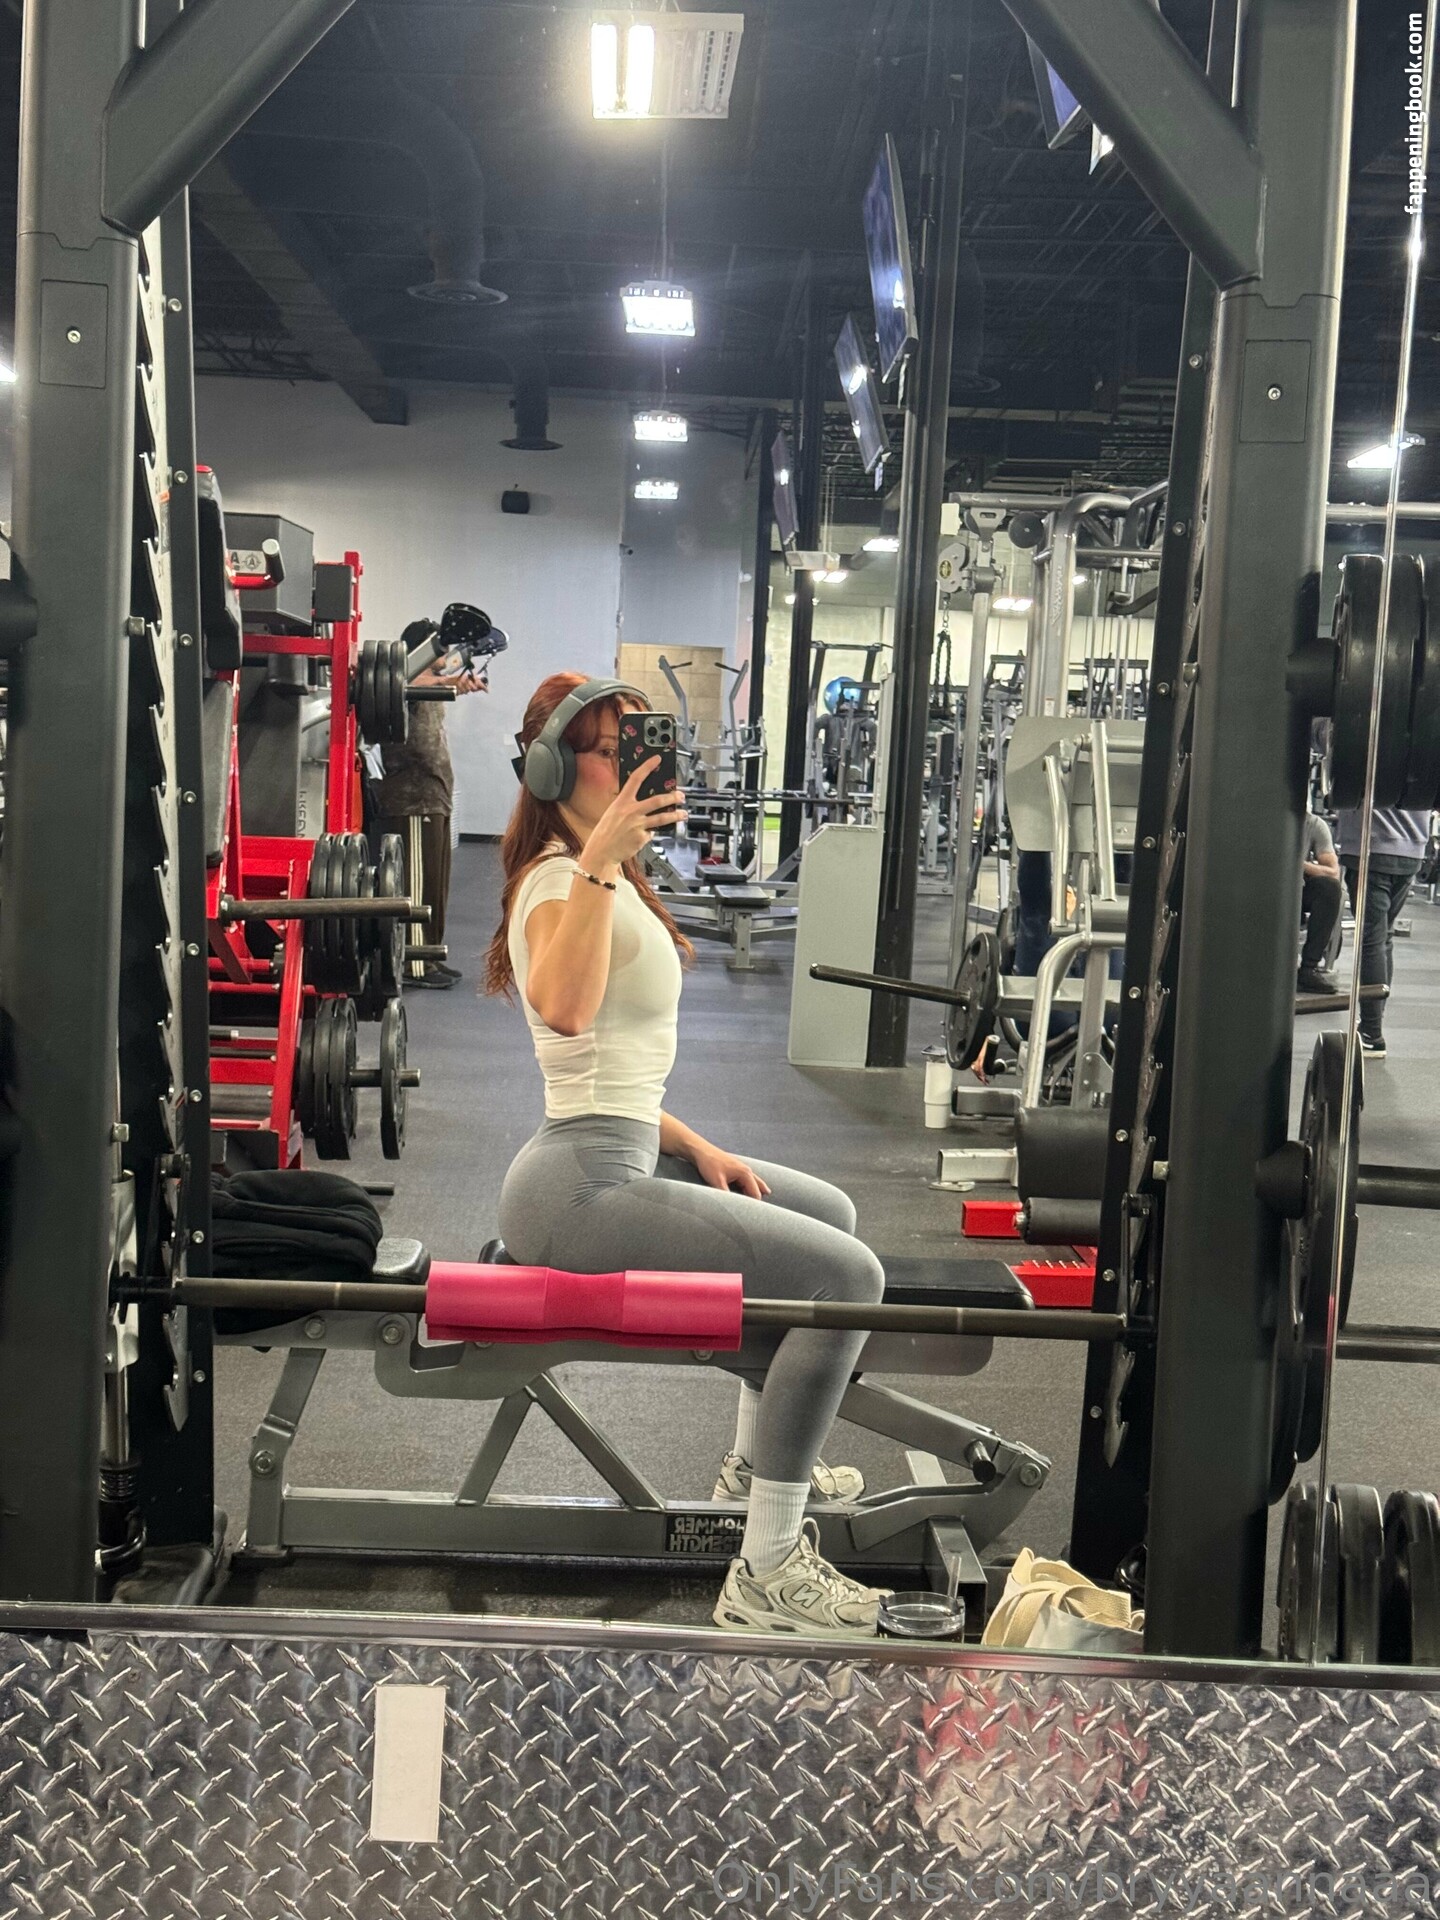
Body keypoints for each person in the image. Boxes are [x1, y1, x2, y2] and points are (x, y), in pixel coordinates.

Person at [485, 672, 891, 1637]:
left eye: (639, 747)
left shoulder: (606, 873)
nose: (633, 767)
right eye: (608, 751)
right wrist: (600, 862)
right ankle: (769, 1569)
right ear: (550, 770)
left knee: (826, 1215)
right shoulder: (558, 880)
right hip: (576, 1190)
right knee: (848, 1280)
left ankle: (755, 1470)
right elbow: (566, 1012)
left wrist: (698, 1144)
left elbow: (610, 1071)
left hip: (619, 1148)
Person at [374, 619, 488, 988]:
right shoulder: (401, 682)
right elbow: (410, 682)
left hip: (434, 798)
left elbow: (436, 682)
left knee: (435, 888)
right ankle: (415, 965)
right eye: (439, 647)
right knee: (417, 887)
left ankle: (431, 955)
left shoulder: (431, 685)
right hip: (412, 800)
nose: (446, 654)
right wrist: (449, 682)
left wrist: (457, 684)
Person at [1333, 806, 1430, 1059]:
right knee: (1383, 938)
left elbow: (1343, 791)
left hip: (1372, 846)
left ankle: (1372, 1033)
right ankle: (1372, 1022)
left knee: (1373, 941)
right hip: (1412, 848)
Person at [1297, 810, 1343, 995]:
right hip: (1254, 887)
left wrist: (1297, 864)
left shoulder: (1313, 824)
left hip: (1295, 891)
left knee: (1329, 888)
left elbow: (1333, 871)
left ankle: (1308, 969)